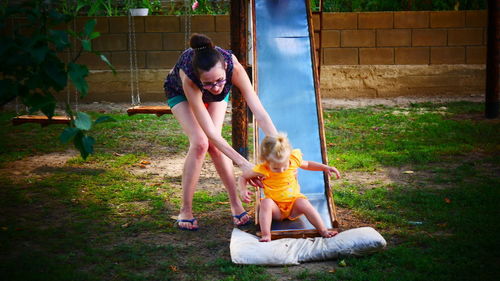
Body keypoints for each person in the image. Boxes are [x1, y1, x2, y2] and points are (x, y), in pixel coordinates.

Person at [163, 33, 278, 231]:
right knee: (200, 143)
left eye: (219, 80)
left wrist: (278, 143)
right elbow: (210, 135)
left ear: (225, 68)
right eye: (209, 83)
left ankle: (235, 204)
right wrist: (244, 164)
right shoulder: (189, 77)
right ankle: (186, 210)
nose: (215, 88)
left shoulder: (233, 66)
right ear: (199, 78)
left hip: (210, 86)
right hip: (179, 93)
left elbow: (258, 111)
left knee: (217, 149)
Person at [238, 133, 341, 242]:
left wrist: (326, 168)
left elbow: (308, 165)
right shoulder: (263, 169)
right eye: (276, 168)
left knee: (303, 202)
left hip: (293, 207)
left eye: (284, 166)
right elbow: (243, 177)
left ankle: (324, 231)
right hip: (276, 209)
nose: (281, 170)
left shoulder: (293, 160)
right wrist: (243, 190)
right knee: (265, 202)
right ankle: (266, 235)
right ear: (266, 162)